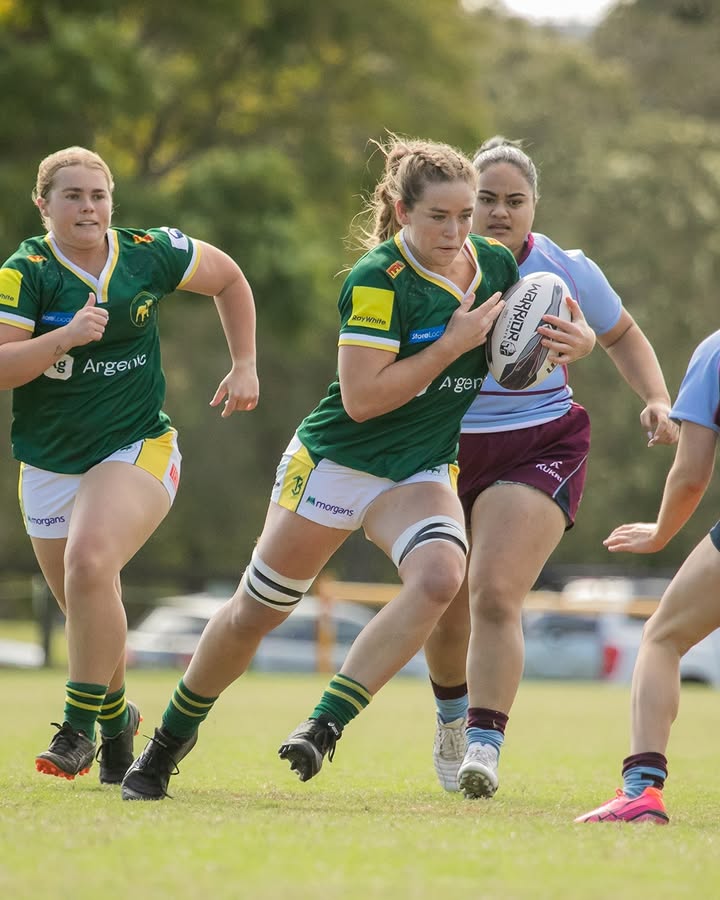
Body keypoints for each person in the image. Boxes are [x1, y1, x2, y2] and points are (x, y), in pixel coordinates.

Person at [119, 135, 518, 801]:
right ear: (399, 210)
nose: (455, 231)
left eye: (465, 214)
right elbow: (362, 401)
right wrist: (452, 345)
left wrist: (575, 339)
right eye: (437, 217)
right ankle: (167, 742)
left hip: (419, 471)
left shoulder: (497, 267)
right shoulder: (377, 282)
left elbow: (553, 327)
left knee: (443, 576)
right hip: (336, 462)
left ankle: (326, 723)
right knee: (255, 612)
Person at [424, 136, 678, 799]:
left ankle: (484, 743)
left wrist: (655, 398)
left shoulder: (566, 269)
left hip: (538, 442)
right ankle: (452, 721)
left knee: (495, 593)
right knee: (444, 604)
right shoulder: (425, 267)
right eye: (486, 200)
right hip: (440, 448)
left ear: (535, 205)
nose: (499, 213)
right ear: (462, 204)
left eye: (514, 200)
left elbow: (622, 333)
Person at [0, 146, 259, 785]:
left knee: (91, 564)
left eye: (98, 196)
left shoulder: (148, 251)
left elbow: (228, 277)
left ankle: (75, 730)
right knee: (90, 606)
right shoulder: (24, 271)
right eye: (72, 196)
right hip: (48, 464)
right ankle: (118, 726)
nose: (88, 207)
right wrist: (62, 337)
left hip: (137, 446)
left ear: (111, 202)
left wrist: (246, 362)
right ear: (44, 205)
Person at [575, 329, 720, 824]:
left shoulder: (716, 351)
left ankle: (642, 791)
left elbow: (692, 472)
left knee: (662, 636)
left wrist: (660, 532)